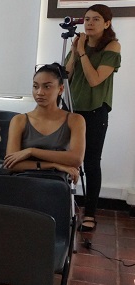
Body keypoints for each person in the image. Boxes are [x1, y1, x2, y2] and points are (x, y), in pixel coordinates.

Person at [0, 63, 86, 285]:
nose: (40, 92)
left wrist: (32, 151)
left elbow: (76, 158)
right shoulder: (20, 120)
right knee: (16, 229)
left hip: (55, 192)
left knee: (36, 231)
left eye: (47, 87)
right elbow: (11, 164)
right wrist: (54, 164)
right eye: (36, 86)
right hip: (23, 186)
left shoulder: (75, 120)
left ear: (60, 89)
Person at [64, 3, 121, 232]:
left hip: (96, 111)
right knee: (68, 158)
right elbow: (66, 74)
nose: (89, 23)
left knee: (91, 161)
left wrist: (82, 52)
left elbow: (94, 79)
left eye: (96, 19)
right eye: (87, 19)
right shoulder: (80, 43)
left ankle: (90, 214)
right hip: (72, 109)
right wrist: (75, 51)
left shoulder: (113, 46)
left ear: (106, 23)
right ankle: (65, 205)